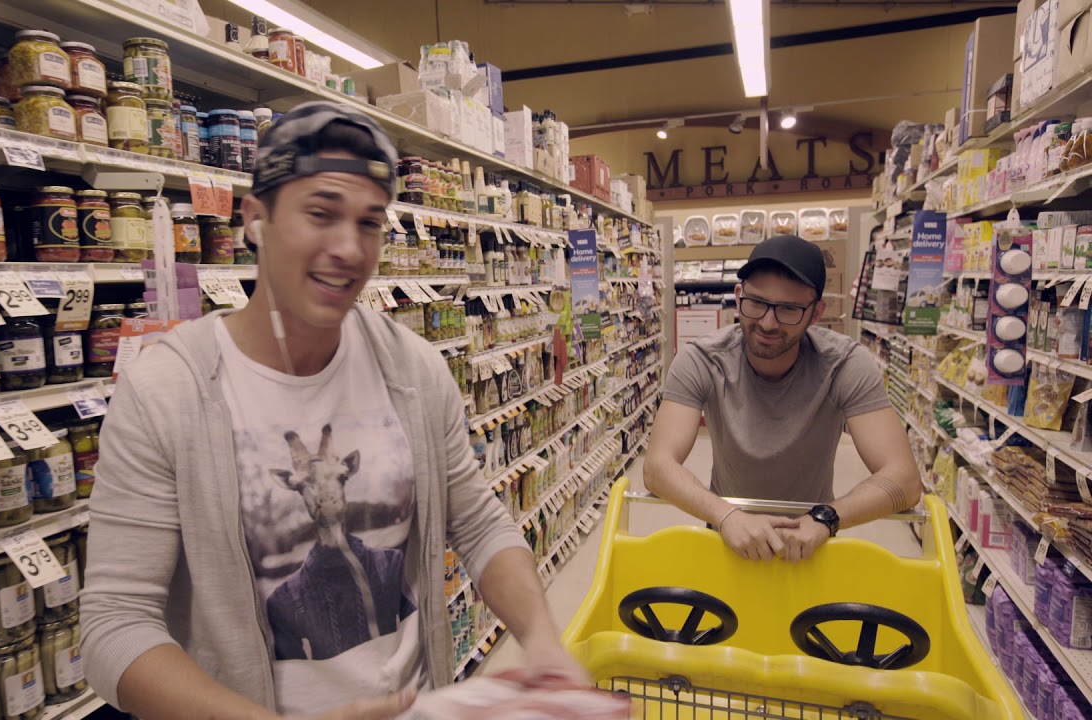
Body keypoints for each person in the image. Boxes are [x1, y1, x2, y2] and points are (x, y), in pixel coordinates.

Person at [79, 102, 584, 720]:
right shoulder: (167, 392)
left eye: (369, 223)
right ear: (256, 220)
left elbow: (479, 524)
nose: (348, 248)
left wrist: (542, 638)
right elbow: (114, 625)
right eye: (321, 214)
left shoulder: (413, 370)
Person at [643, 234, 922, 563]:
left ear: (816, 313)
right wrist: (726, 515)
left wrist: (825, 518)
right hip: (726, 534)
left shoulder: (845, 365)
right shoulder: (701, 360)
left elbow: (905, 479)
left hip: (812, 541)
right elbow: (657, 468)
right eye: (756, 302)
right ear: (738, 296)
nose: (767, 322)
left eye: (789, 309)